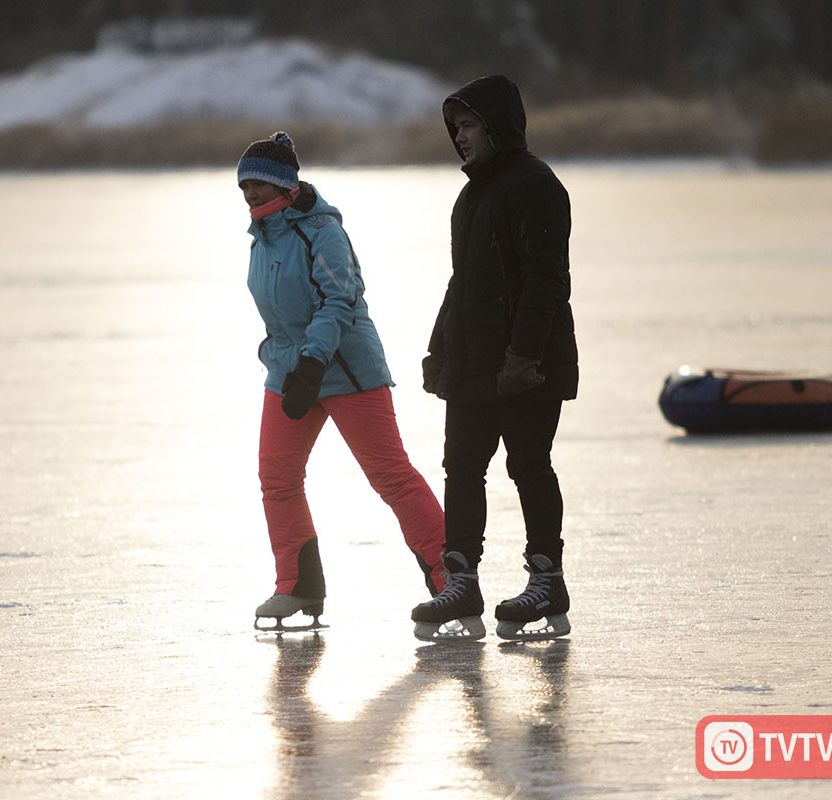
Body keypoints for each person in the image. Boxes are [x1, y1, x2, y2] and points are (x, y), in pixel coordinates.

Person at [239, 131, 447, 632]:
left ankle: (451, 579)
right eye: (244, 186)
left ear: (286, 187)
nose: (250, 195)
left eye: (260, 186)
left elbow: (340, 300)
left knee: (391, 476)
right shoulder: (263, 236)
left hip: (347, 370)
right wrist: (288, 364)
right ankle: (297, 586)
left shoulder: (322, 230)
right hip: (290, 372)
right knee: (277, 479)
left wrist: (313, 363)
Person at [410, 76, 578, 643]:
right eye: (455, 128)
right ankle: (460, 580)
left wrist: (525, 356)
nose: (460, 137)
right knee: (462, 467)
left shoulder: (535, 186)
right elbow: (464, 283)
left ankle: (546, 581)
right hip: (475, 362)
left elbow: (545, 282)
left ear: (498, 125)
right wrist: (441, 346)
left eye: (470, 125)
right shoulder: (472, 195)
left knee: (528, 465)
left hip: (525, 360)